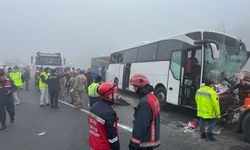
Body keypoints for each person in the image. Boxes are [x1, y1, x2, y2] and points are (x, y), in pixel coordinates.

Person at [129, 74, 160, 150]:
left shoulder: (145, 102)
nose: (134, 89)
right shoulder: (153, 98)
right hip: (151, 140)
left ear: (141, 86)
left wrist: (133, 144)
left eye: (135, 86)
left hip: (144, 142)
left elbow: (141, 126)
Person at [88, 82, 120, 150]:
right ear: (110, 96)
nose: (116, 95)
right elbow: (112, 137)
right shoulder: (109, 113)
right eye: (115, 93)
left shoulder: (93, 106)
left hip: (93, 144)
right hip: (104, 146)